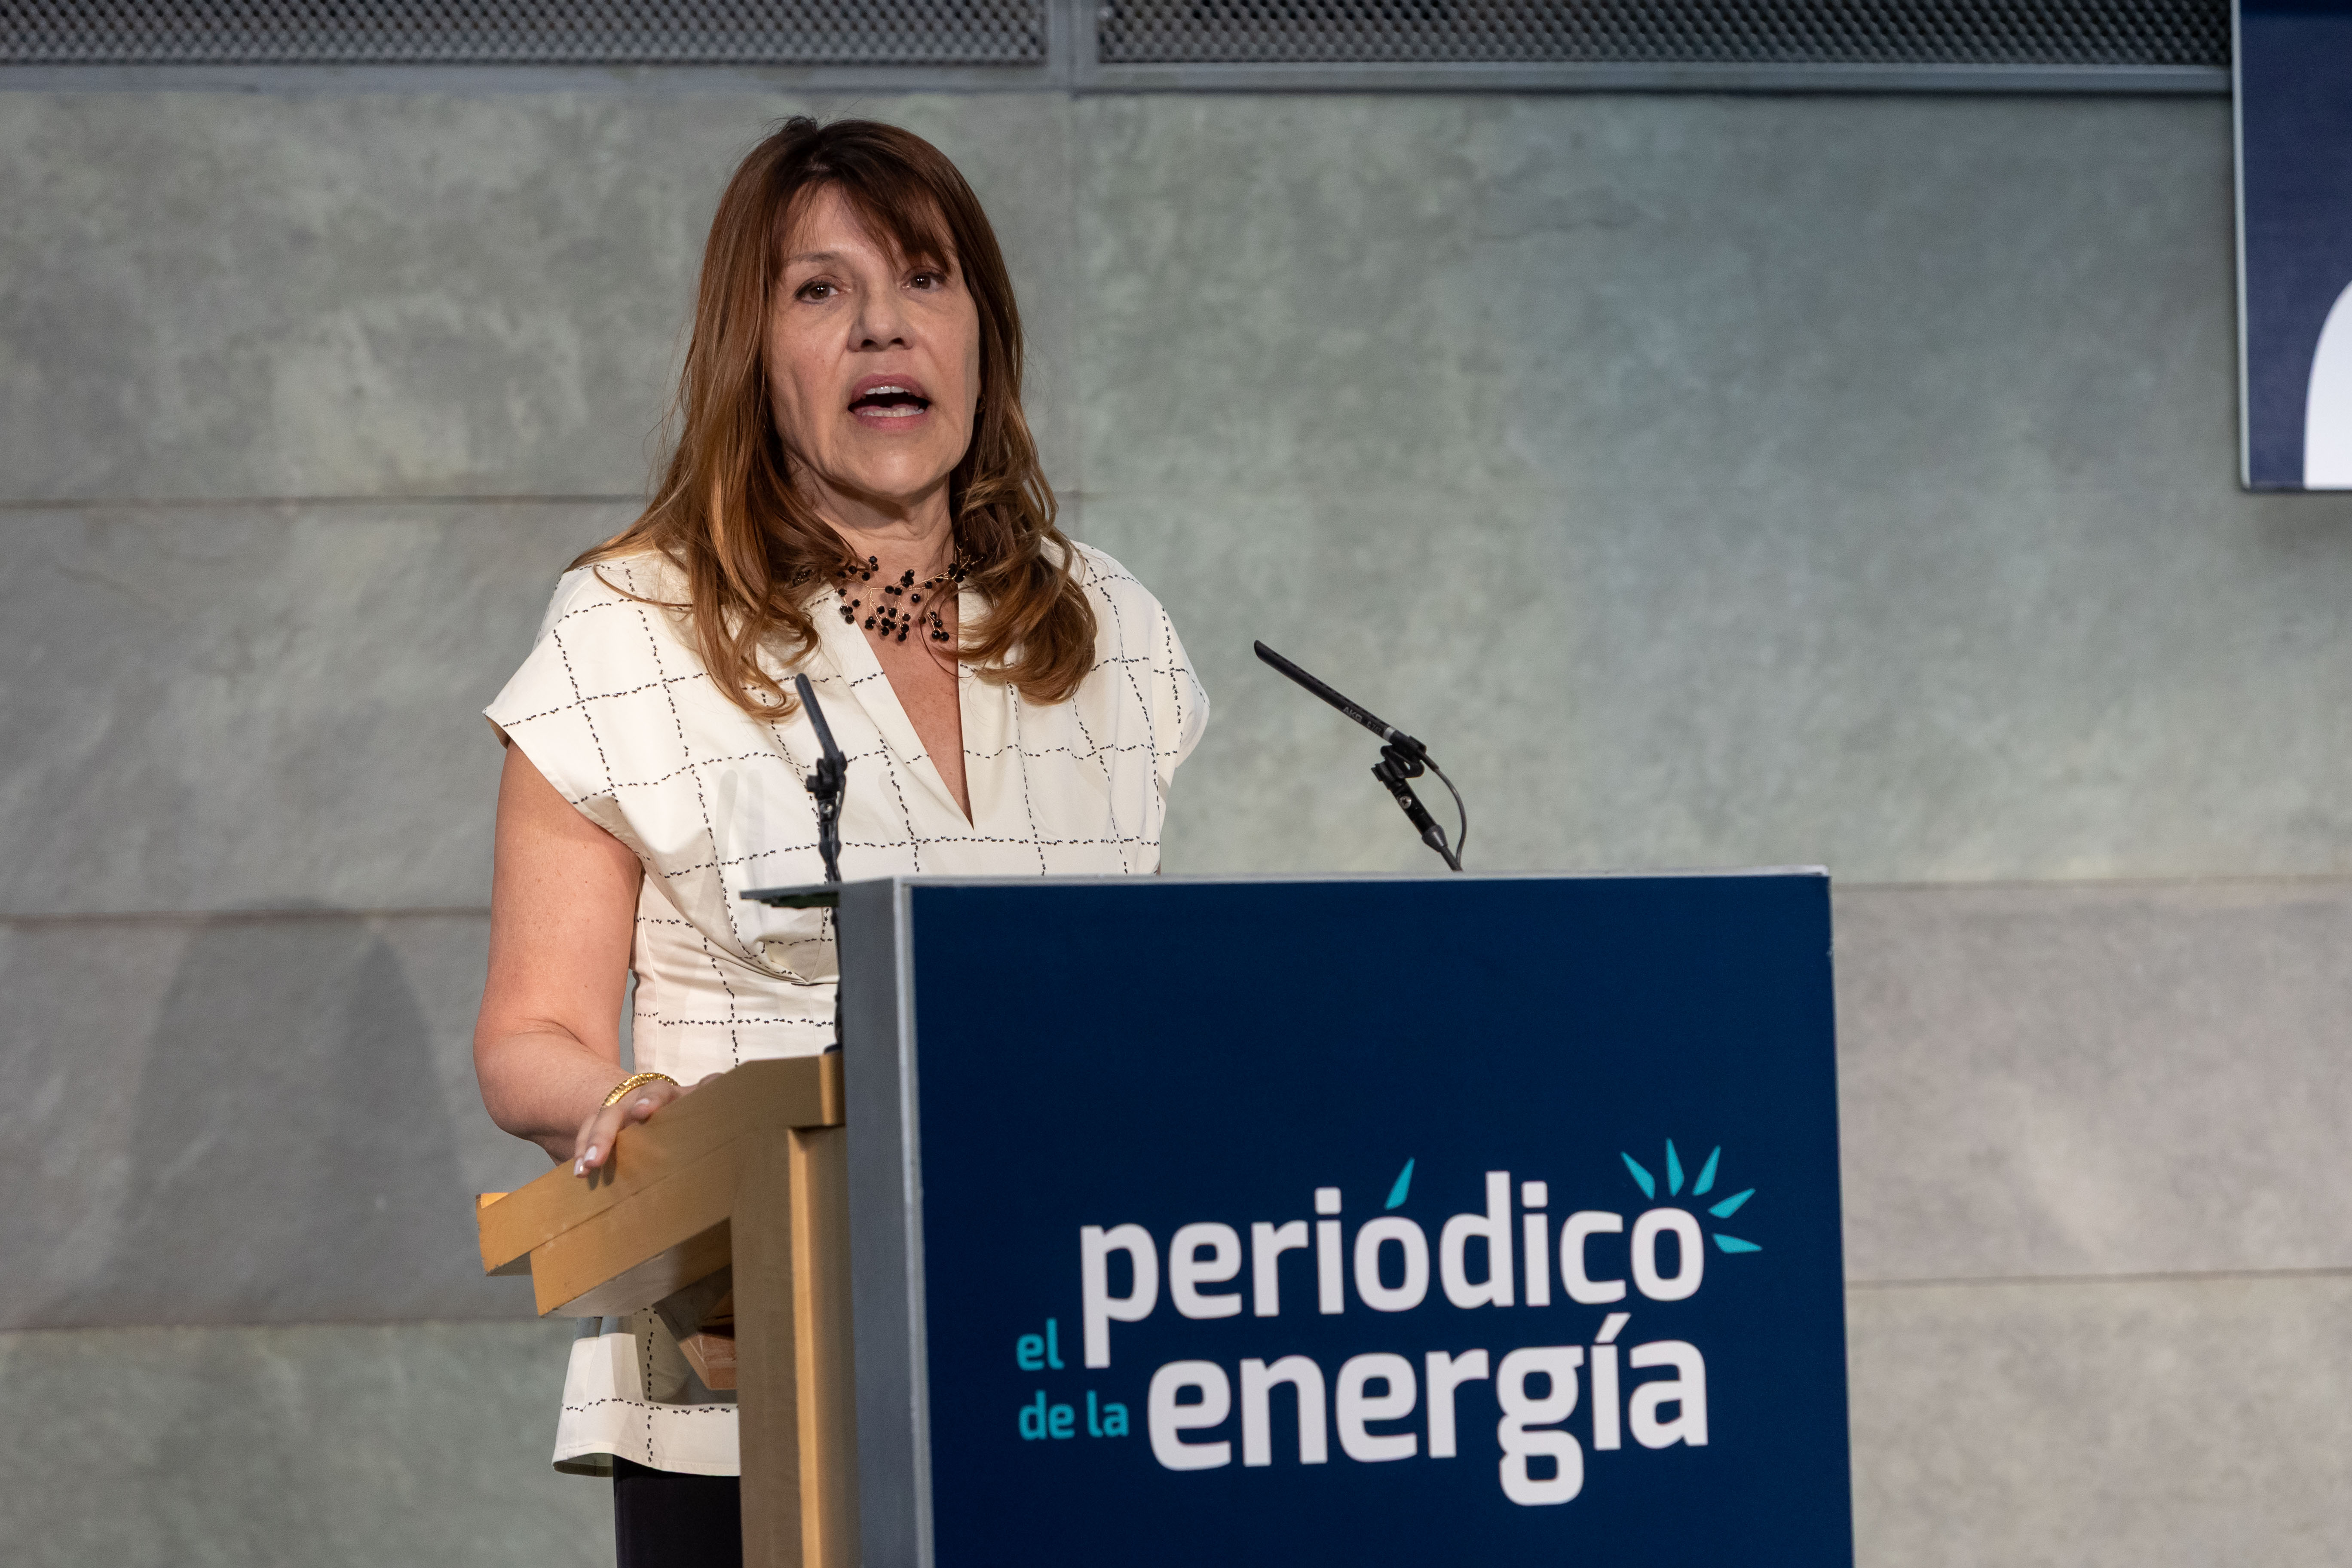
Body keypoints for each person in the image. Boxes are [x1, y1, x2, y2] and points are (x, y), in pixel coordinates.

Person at [471, 116, 1207, 1567]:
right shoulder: (633, 627)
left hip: (1066, 1354)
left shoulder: (1107, 628)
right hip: (751, 1367)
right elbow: (527, 1040)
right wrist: (646, 1110)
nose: (884, 324)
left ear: (983, 335)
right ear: (755, 355)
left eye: (926, 279)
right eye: (821, 290)